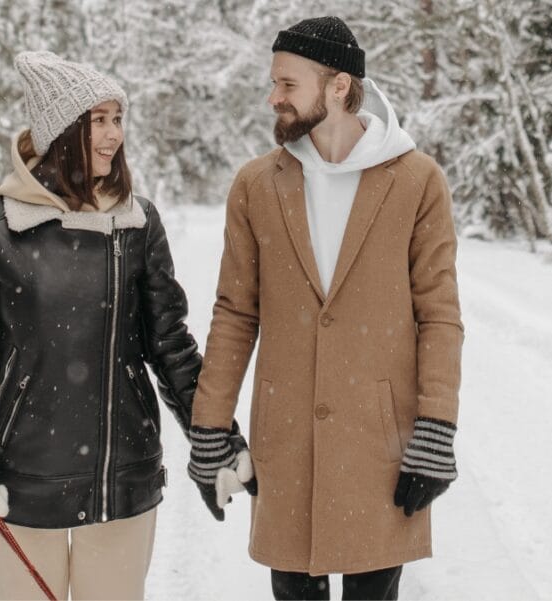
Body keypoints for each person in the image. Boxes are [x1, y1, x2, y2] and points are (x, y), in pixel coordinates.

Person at [186, 16, 464, 601]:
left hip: (381, 443)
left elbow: (438, 315)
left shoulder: (417, 181)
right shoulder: (257, 184)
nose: (273, 97)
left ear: (338, 87)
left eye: (287, 84)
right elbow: (235, 312)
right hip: (286, 440)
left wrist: (437, 427)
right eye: (273, 82)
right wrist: (210, 426)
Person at [0, 51, 207, 600]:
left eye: (117, 119)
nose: (113, 135)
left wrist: (217, 440)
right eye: (97, 121)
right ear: (61, 132)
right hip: (21, 483)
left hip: (121, 478)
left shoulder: (137, 223)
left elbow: (171, 345)